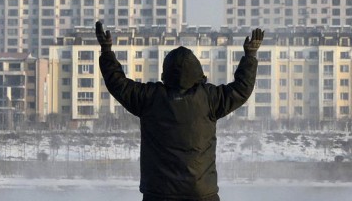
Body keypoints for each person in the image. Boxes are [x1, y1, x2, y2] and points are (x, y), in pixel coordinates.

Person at [96, 20, 264, 201]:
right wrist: (250, 56)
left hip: (159, 193)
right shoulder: (209, 98)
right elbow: (241, 89)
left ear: (165, 72)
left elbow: (117, 82)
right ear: (198, 71)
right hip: (201, 193)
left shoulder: (150, 97)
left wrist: (107, 51)